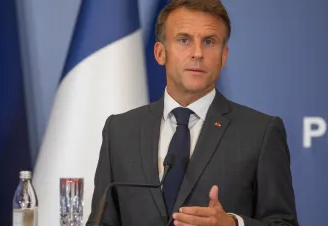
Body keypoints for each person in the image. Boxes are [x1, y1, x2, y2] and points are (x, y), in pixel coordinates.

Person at [86, 0, 299, 225]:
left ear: (224, 56)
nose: (197, 53)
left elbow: (283, 222)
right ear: (160, 53)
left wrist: (233, 224)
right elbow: (102, 221)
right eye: (184, 40)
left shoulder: (260, 132)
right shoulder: (120, 130)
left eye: (209, 41)